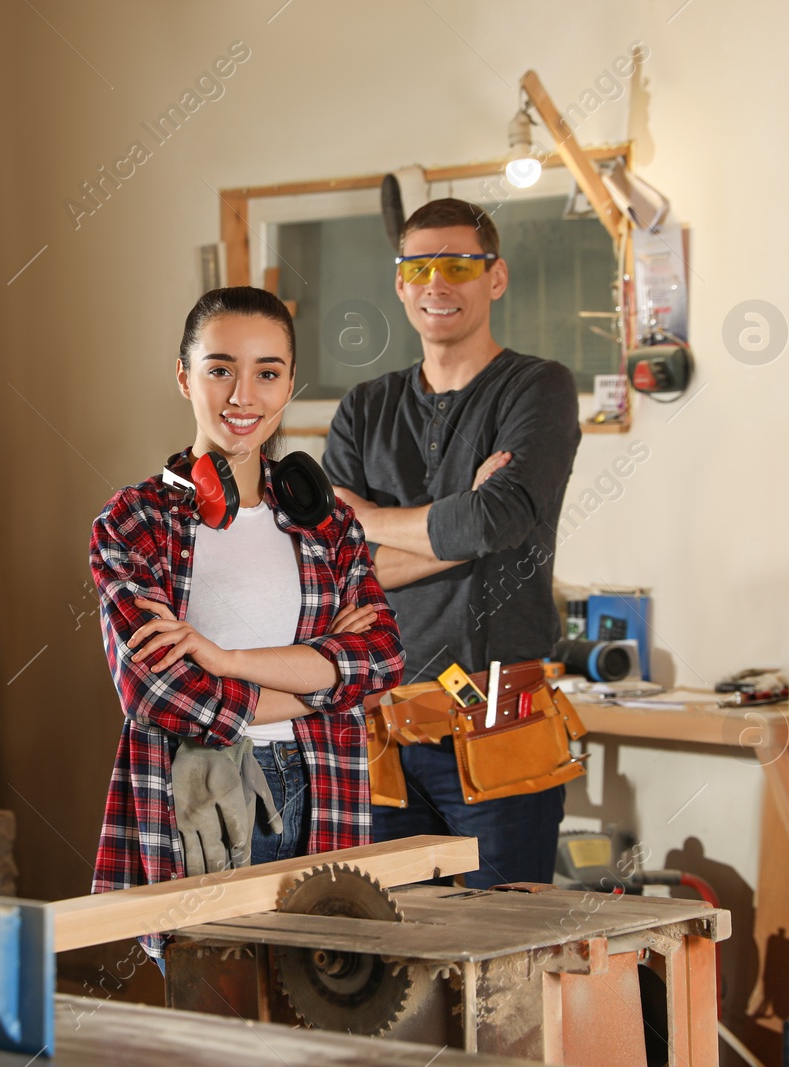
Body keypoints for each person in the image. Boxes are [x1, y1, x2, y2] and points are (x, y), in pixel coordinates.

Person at [89, 286, 404, 960]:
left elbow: (382, 661)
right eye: (220, 368)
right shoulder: (134, 521)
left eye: (267, 372)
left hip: (325, 784)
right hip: (207, 787)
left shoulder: (329, 522)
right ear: (184, 376)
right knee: (219, 1020)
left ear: (291, 383)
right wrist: (322, 679)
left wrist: (224, 658)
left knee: (319, 1004)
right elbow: (161, 694)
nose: (243, 395)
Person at [321, 197, 580, 887]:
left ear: (495, 277)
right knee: (393, 966)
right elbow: (334, 564)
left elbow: (499, 519)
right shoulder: (365, 407)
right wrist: (466, 521)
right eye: (421, 266)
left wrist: (365, 517)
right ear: (401, 283)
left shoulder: (538, 388)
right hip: (380, 721)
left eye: (460, 265)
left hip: (499, 719)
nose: (439, 283)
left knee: (504, 957)